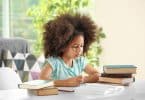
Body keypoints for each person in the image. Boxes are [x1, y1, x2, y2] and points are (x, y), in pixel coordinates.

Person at [40, 13, 100, 87]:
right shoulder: (54, 62)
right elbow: (42, 79)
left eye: (81, 46)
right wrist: (65, 83)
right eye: (75, 46)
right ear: (62, 46)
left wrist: (83, 79)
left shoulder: (80, 61)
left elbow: (97, 75)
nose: (79, 50)